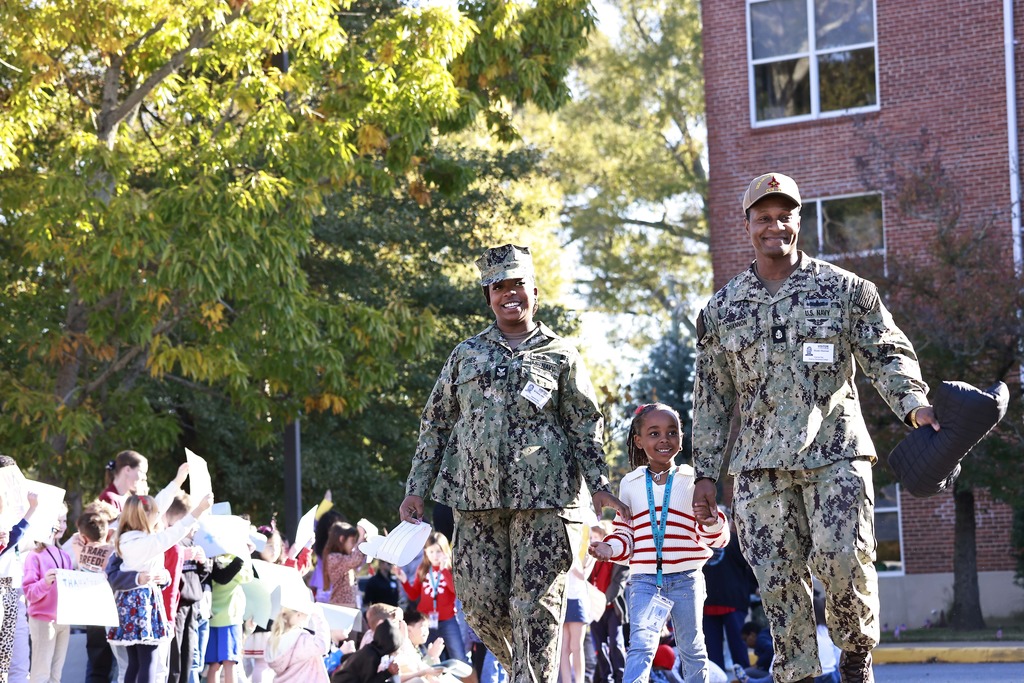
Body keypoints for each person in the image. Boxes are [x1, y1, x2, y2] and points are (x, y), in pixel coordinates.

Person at [691, 172, 939, 683]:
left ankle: (853, 651)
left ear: (798, 221)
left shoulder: (847, 291)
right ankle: (800, 674)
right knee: (778, 584)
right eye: (764, 217)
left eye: (785, 215)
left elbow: (887, 355)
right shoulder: (721, 310)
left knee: (843, 558)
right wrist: (704, 476)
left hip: (835, 452)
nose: (774, 225)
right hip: (760, 467)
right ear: (748, 226)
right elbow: (712, 400)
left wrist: (916, 406)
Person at [399, 244, 628, 682]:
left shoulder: (561, 355)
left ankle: (530, 675)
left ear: (534, 292)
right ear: (488, 297)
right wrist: (416, 489)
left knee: (536, 612)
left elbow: (585, 425)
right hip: (476, 503)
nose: (509, 295)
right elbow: (436, 424)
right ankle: (522, 669)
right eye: (498, 287)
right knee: (479, 605)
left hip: (546, 504)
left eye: (517, 285)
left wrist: (599, 486)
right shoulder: (466, 355)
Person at [590, 403, 728, 683]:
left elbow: (717, 539)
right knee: (640, 646)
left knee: (692, 647)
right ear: (639, 441)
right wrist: (609, 548)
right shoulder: (630, 483)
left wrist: (711, 521)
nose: (664, 439)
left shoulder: (694, 480)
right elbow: (626, 532)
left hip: (687, 579)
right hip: (643, 580)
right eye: (654, 433)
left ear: (681, 439)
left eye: (672, 432)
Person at [108, 493, 213, 683]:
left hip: (127, 603)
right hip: (143, 604)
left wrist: (162, 576)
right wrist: (199, 509)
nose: (158, 516)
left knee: (134, 662)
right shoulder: (147, 542)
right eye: (156, 513)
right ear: (145, 516)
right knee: (149, 660)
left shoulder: (123, 540)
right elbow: (178, 531)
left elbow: (159, 571)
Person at [395, 532, 466, 664]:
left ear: (445, 551)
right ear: (426, 552)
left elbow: (456, 592)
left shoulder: (451, 569)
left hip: (447, 620)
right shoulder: (423, 569)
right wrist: (404, 581)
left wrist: (444, 570)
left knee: (459, 656)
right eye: (431, 551)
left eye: (438, 551)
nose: (435, 555)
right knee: (428, 656)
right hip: (426, 621)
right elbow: (414, 595)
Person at [22, 503, 72, 683]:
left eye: (64, 520)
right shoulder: (34, 555)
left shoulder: (65, 555)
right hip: (43, 620)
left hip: (63, 621)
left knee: (56, 674)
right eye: (56, 520)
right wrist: (45, 582)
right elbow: (29, 593)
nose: (61, 525)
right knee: (41, 672)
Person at [701, 514, 757, 673]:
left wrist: (754, 587)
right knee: (711, 651)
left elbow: (751, 565)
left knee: (739, 646)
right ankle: (717, 678)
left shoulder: (733, 540)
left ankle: (746, 677)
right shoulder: (699, 541)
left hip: (732, 600)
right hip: (707, 601)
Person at [587, 521, 628, 683]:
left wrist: (603, 600)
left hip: (612, 608)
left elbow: (619, 584)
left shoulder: (619, 560)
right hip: (594, 608)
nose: (595, 538)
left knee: (616, 645)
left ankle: (622, 678)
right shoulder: (590, 557)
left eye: (599, 534)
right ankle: (606, 679)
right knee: (600, 646)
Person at [263, 600, 331, 683]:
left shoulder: (273, 640)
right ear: (298, 615)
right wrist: (319, 616)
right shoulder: (301, 639)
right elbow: (322, 646)